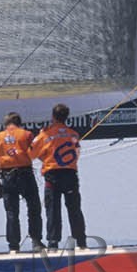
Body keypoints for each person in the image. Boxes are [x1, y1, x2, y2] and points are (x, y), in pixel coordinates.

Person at [31, 104, 86, 249]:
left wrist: (45, 155)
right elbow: (76, 153)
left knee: (53, 209)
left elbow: (31, 154)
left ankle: (53, 242)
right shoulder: (73, 134)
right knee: (74, 209)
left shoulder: (45, 135)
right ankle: (81, 241)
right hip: (70, 174)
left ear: (53, 117)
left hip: (53, 174)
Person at [0, 111, 41, 253]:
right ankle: (36, 240)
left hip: (7, 176)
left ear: (6, 124)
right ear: (19, 123)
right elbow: (35, 153)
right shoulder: (26, 134)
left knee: (12, 212)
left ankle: (13, 245)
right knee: (34, 208)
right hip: (25, 174)